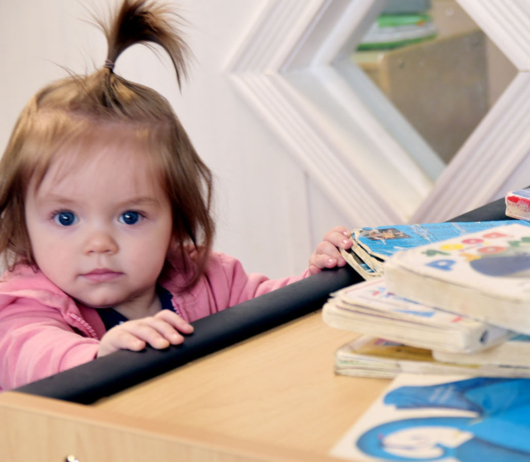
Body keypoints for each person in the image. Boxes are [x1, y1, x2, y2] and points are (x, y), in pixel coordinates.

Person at [0, 0, 353, 391]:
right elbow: (24, 354)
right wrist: (98, 358)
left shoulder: (205, 277)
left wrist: (322, 277)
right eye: (65, 218)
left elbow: (271, 316)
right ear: (23, 222)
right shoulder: (25, 304)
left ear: (175, 220)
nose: (98, 244)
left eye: (130, 217)